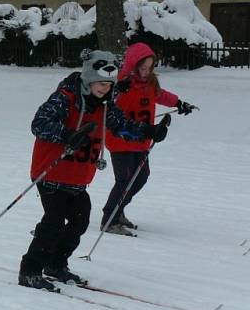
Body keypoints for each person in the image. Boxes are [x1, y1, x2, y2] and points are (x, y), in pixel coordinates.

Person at [18, 50, 172, 291]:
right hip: (52, 172)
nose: (105, 89)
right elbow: (39, 123)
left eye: (109, 85)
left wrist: (149, 131)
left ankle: (55, 265)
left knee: (80, 221)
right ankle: (30, 270)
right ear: (89, 80)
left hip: (79, 177)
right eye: (100, 83)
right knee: (54, 222)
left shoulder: (105, 106)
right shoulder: (65, 97)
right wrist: (68, 135)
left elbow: (121, 126)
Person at [101, 42, 196, 235]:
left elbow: (161, 96)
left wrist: (179, 103)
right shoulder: (121, 81)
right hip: (121, 139)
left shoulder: (150, 84)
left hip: (142, 140)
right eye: (142, 68)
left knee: (141, 177)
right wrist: (118, 88)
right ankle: (109, 219)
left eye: (149, 68)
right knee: (124, 179)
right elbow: (104, 100)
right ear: (132, 65)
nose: (145, 72)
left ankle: (118, 212)